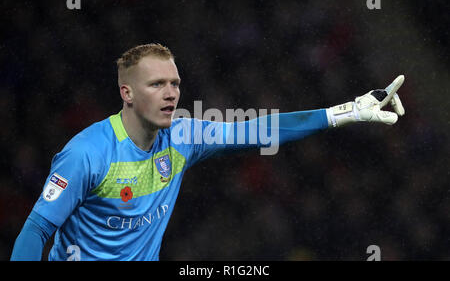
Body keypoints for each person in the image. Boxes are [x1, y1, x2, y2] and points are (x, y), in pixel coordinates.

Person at [10, 43, 405, 261]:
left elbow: (260, 130)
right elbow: (37, 230)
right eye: (156, 84)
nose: (170, 93)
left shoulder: (184, 135)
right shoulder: (87, 154)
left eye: (175, 83)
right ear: (126, 93)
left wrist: (346, 111)